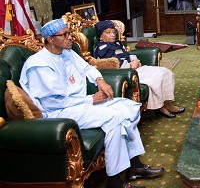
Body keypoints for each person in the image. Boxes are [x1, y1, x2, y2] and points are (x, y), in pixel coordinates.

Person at [19, 19, 163, 188]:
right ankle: (115, 182)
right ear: (51, 39)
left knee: (128, 107)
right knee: (114, 118)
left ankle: (134, 166)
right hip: (58, 112)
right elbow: (52, 102)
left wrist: (100, 80)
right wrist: (90, 99)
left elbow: (87, 68)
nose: (70, 37)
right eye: (64, 35)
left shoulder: (67, 52)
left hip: (78, 105)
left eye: (69, 33)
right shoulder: (39, 64)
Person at [94, 20, 185, 118]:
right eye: (108, 32)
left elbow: (129, 55)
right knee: (155, 79)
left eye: (113, 32)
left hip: (136, 68)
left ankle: (168, 104)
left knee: (166, 72)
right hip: (127, 73)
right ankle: (160, 107)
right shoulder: (103, 49)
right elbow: (115, 64)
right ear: (100, 35)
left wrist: (135, 61)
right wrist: (131, 65)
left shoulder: (116, 43)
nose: (112, 35)